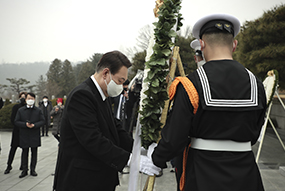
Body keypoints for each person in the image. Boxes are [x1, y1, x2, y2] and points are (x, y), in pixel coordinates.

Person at [151, 13, 267, 191]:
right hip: (246, 174)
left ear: (202, 44)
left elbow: (175, 138)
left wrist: (155, 159)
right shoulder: (256, 84)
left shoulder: (190, 84)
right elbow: (255, 132)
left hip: (203, 172)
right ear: (234, 45)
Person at [53, 51, 134, 191]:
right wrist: (129, 159)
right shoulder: (82, 95)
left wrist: (138, 150)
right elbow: (92, 139)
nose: (121, 86)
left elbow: (115, 128)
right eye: (120, 81)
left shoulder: (102, 94)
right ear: (105, 73)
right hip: (82, 181)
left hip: (99, 178)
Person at [15, 92, 45, 178]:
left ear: (34, 100)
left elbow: (42, 121)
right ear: (25, 99)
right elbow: (16, 121)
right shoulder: (21, 110)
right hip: (24, 134)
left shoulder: (38, 110)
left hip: (34, 134)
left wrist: (35, 125)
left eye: (32, 99)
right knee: (24, 152)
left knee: (34, 152)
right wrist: (25, 124)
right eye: (28, 98)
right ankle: (24, 170)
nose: (30, 100)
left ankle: (33, 169)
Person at [4, 92, 27, 174]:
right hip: (17, 131)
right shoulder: (15, 107)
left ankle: (23, 165)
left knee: (25, 149)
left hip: (25, 131)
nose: (23, 98)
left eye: (24, 97)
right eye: (21, 97)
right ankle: (9, 165)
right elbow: (13, 119)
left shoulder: (27, 108)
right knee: (13, 148)